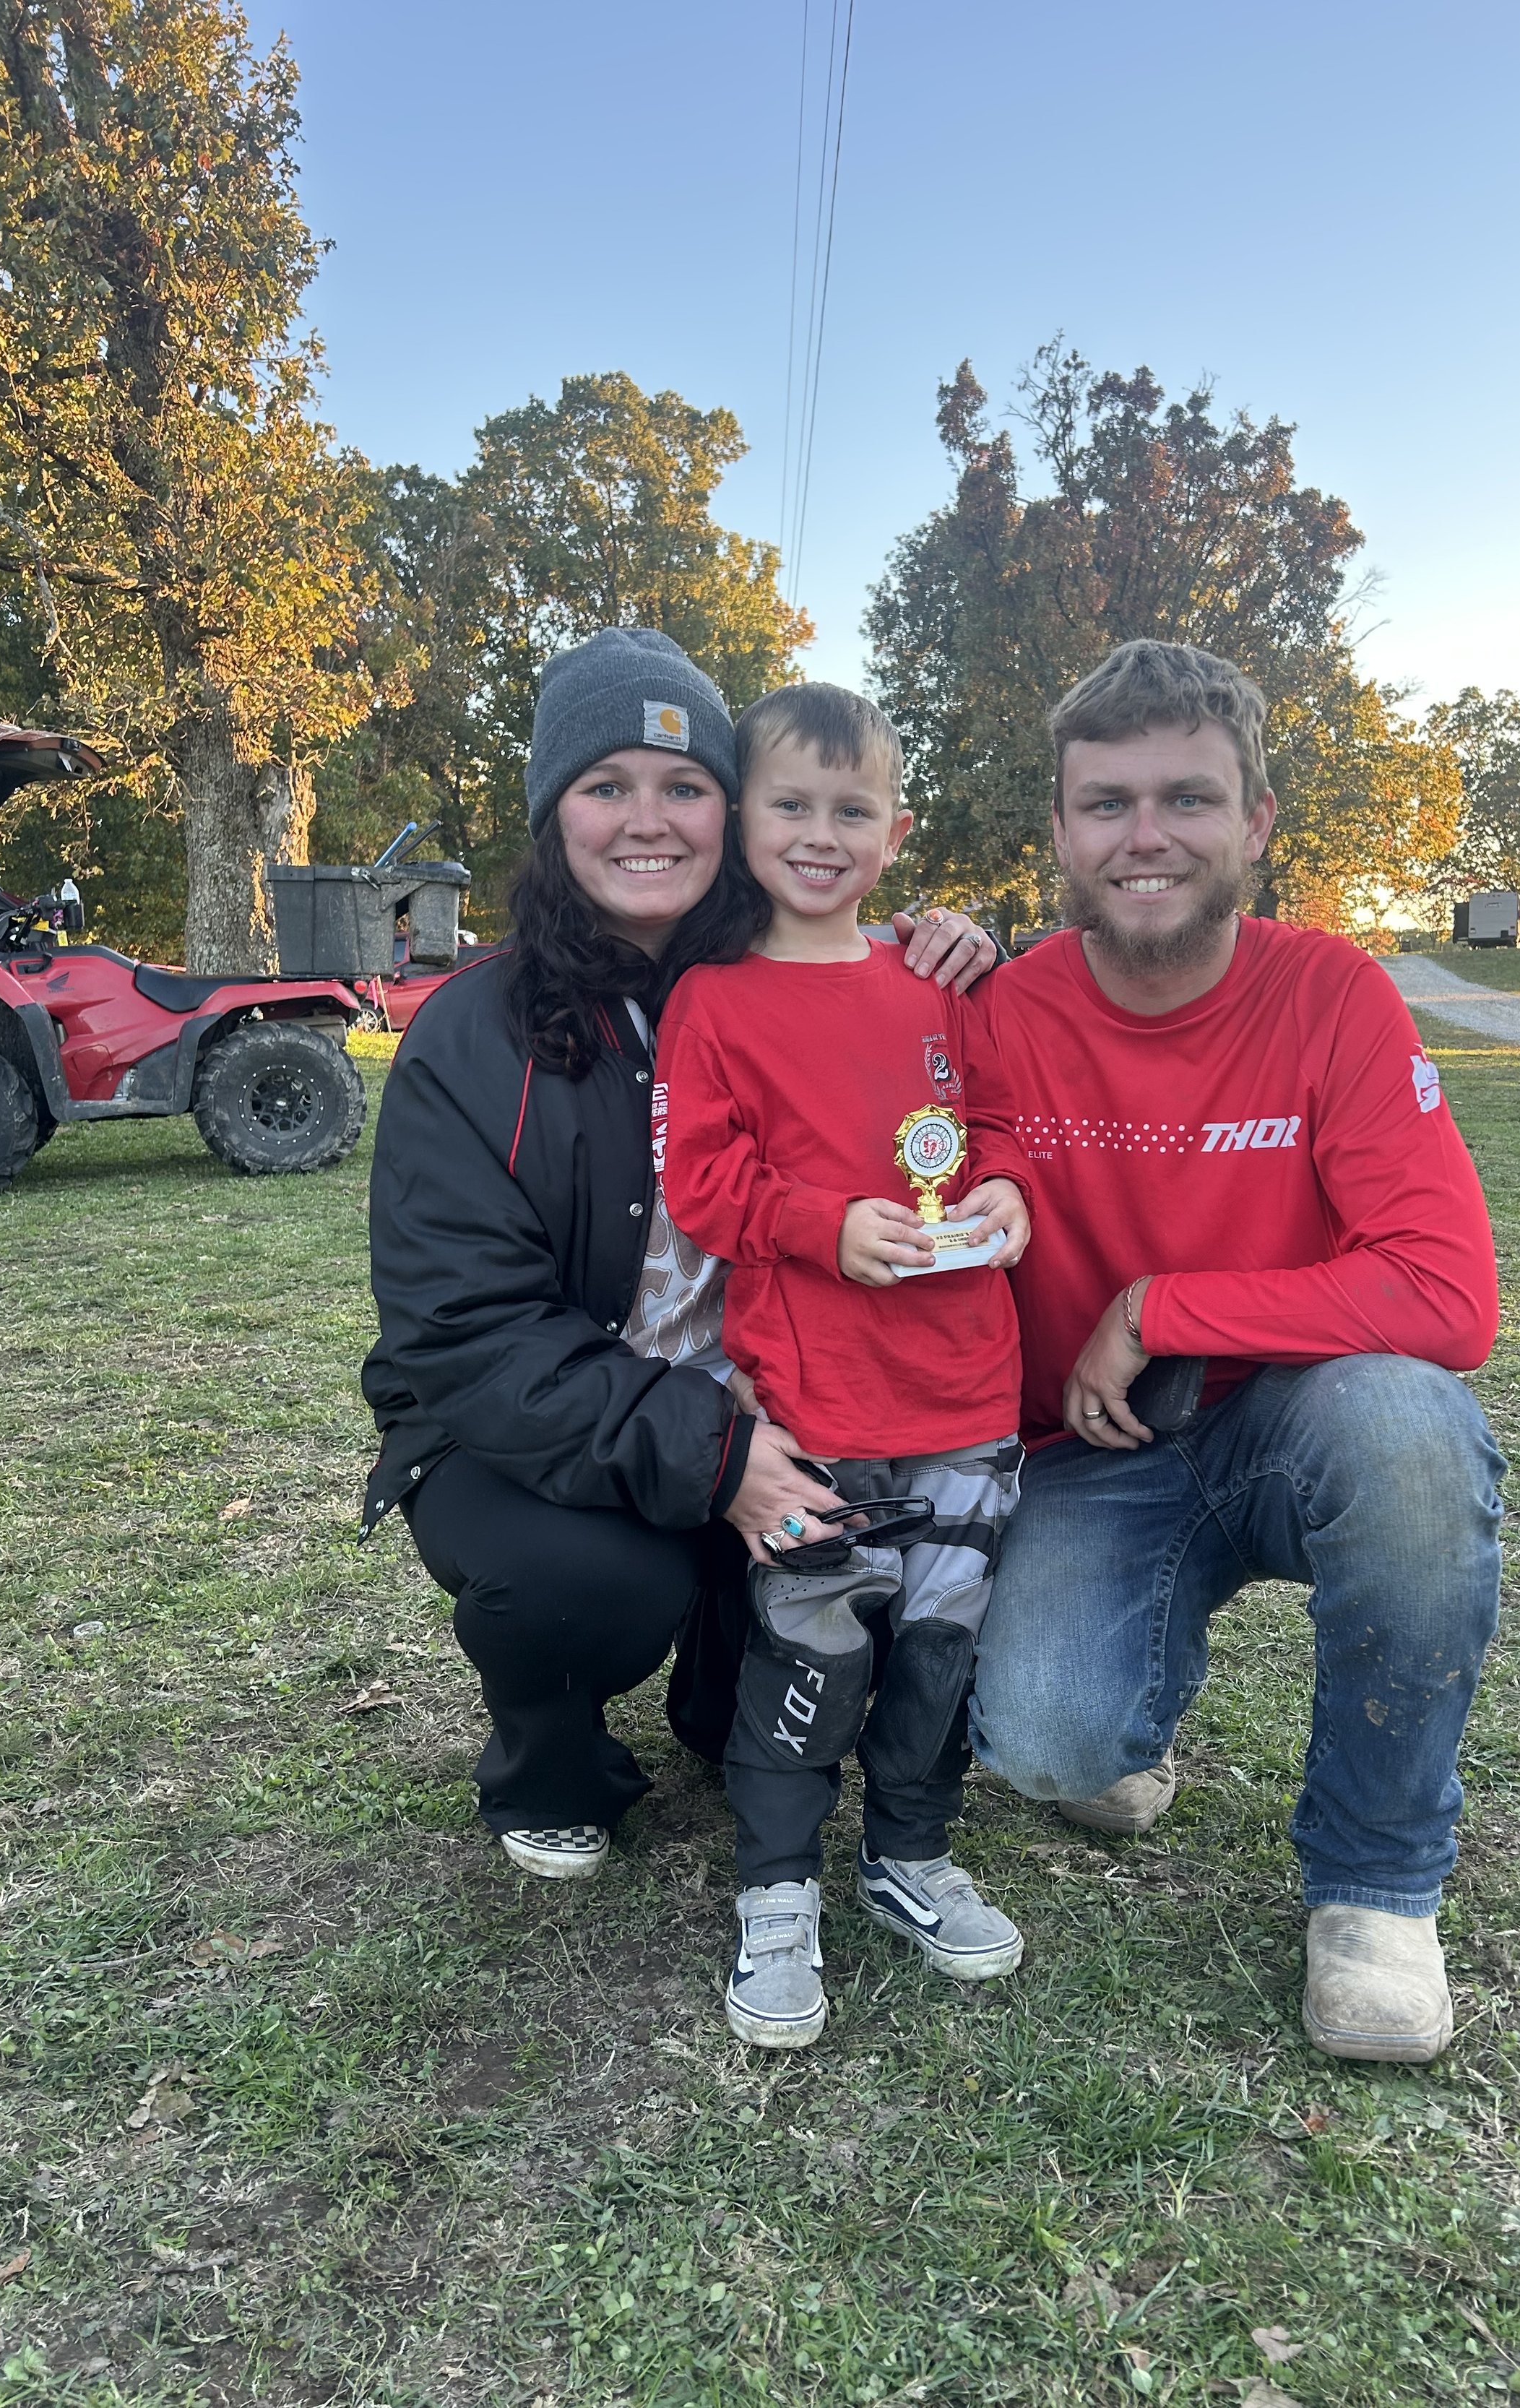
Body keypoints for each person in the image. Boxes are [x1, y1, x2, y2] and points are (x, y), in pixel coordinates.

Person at [360, 629, 996, 1882]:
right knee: (575, 1582)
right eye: (606, 785)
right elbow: (470, 1335)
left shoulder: (786, 978)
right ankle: (550, 1763)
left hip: (783, 1383)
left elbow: (935, 1078)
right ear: (554, 814)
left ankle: (723, 1693)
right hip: (527, 1428)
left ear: (732, 811)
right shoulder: (472, 1034)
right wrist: (721, 1457)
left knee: (873, 1604)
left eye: (684, 785)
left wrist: (951, 951)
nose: (648, 820)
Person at [967, 640, 1504, 2066]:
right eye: (1107, 803)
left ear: (1255, 821)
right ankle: (1124, 1715)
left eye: (1187, 799)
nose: (1143, 836)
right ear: (1061, 831)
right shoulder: (1001, 1013)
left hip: (1294, 1417)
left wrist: (1160, 1307)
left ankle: (1375, 1886)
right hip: (1092, 1445)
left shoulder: (1333, 993)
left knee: (1409, 1428)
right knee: (1047, 1741)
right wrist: (914, 940)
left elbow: (1447, 1296)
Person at [657, 683, 1033, 2049]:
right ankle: (776, 1888)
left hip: (968, 1397)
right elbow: (702, 1183)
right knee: (808, 1647)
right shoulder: (711, 999)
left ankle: (910, 1853)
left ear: (896, 832)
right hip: (815, 1407)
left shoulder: (940, 983)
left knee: (937, 1645)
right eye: (792, 806)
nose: (821, 835)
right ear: (741, 817)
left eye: (852, 811)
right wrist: (823, 1225)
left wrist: (1008, 1192)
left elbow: (999, 1124)